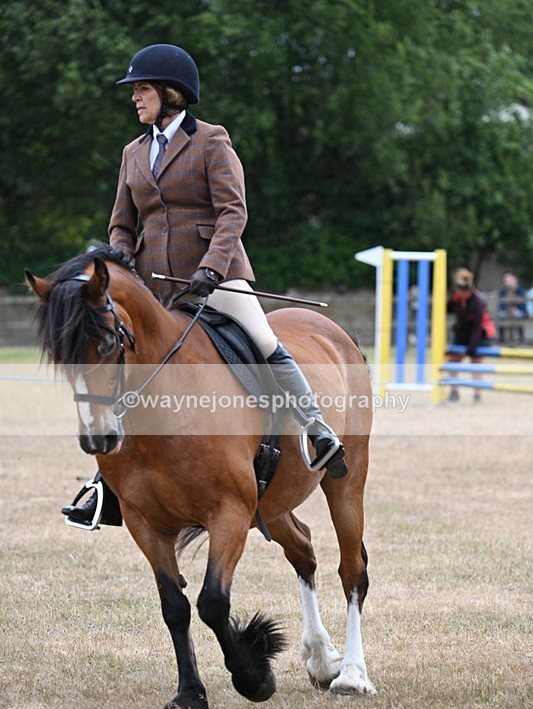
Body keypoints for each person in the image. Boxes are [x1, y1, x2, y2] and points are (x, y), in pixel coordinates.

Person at [62, 43, 348, 529]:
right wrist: (123, 259)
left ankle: (317, 430)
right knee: (122, 369)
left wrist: (212, 269)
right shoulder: (133, 152)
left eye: (143, 89)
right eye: (135, 90)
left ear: (173, 94)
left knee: (263, 340)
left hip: (219, 276)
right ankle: (105, 484)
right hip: (155, 285)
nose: (136, 97)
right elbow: (120, 223)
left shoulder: (211, 141)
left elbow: (233, 212)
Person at [446, 268, 496, 404]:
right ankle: (454, 391)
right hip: (462, 332)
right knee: (452, 360)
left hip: (481, 333)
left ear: (468, 290)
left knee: (476, 361)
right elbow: (447, 309)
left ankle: (477, 394)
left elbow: (476, 328)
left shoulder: (478, 301)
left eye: (463, 292)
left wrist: (469, 349)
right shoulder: (455, 298)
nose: (460, 294)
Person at [497, 270, 528, 344]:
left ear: (515, 280)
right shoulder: (502, 291)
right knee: (501, 315)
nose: (506, 282)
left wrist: (516, 310)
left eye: (508, 280)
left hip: (518, 311)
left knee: (519, 315)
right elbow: (501, 305)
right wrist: (508, 310)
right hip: (506, 311)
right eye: (505, 281)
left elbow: (523, 305)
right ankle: (502, 338)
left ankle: (521, 338)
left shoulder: (521, 290)